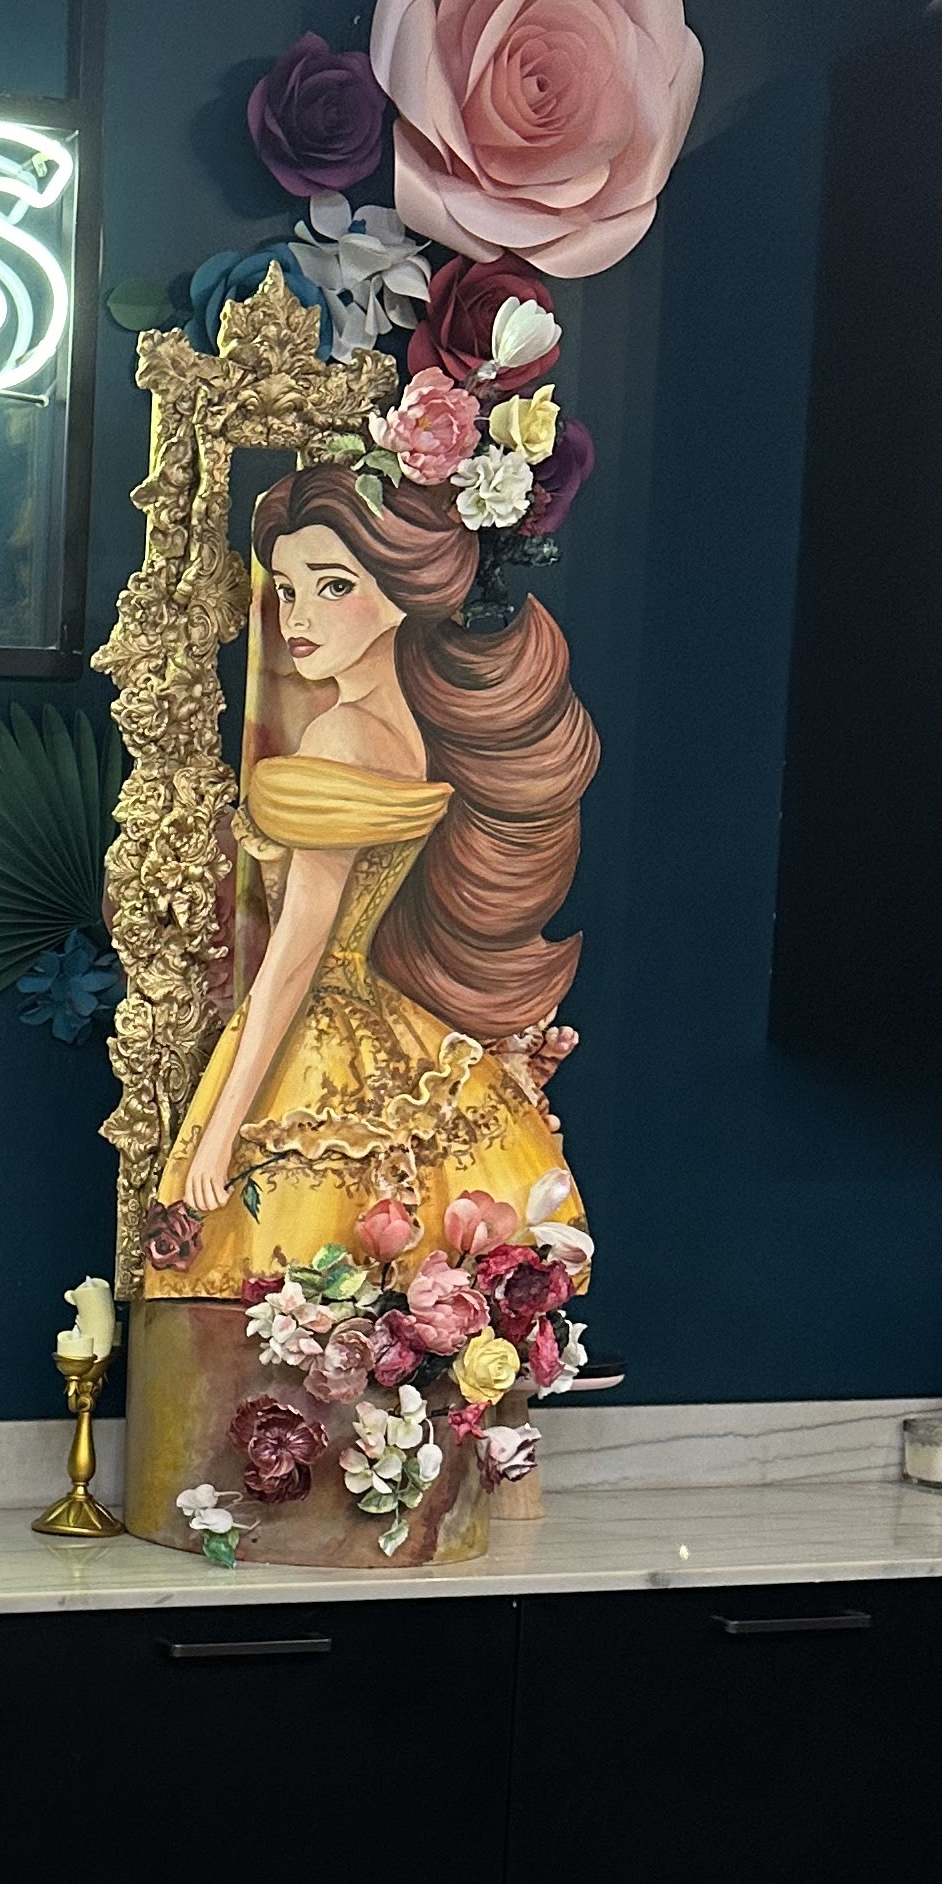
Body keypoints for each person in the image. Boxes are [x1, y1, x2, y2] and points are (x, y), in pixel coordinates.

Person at [145, 462, 598, 1284]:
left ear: (398, 594)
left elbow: (297, 954)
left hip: (315, 1031)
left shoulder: (343, 736)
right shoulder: (406, 732)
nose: (297, 619)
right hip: (380, 1021)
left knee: (278, 1261)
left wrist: (218, 1133)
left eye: (332, 586)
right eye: (287, 590)